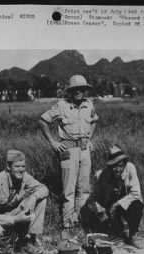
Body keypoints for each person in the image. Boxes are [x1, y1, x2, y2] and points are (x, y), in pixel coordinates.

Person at [39, 75, 98, 239]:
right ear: (70, 92)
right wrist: (53, 142)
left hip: (85, 150)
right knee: (68, 191)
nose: (78, 92)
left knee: (84, 188)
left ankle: (82, 220)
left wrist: (89, 138)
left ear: (85, 90)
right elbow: (43, 121)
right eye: (75, 89)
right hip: (68, 151)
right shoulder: (62, 106)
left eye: (81, 89)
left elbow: (94, 120)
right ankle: (68, 224)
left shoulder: (89, 104)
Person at [0, 149, 49, 254]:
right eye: (17, 166)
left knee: (40, 199)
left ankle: (27, 242)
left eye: (23, 166)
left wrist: (33, 198)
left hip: (11, 214)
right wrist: (15, 219)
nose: (21, 170)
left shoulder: (25, 177)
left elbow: (44, 189)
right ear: (8, 167)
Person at [80, 145, 144, 248]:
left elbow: (136, 193)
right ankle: (113, 231)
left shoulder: (130, 168)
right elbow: (95, 198)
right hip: (110, 207)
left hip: (127, 204)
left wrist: (117, 204)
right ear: (109, 167)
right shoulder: (101, 175)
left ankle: (133, 235)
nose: (118, 169)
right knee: (97, 211)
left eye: (120, 166)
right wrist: (99, 209)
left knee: (136, 206)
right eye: (114, 166)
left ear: (125, 164)